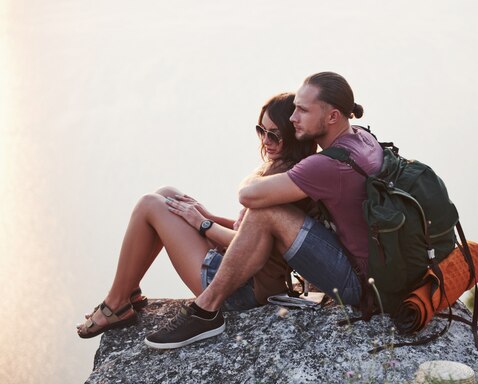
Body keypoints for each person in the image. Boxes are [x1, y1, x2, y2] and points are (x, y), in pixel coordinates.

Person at [144, 72, 384, 350]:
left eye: (303, 110)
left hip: (355, 283)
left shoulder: (326, 164)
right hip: (368, 269)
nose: (294, 118)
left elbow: (248, 195)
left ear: (333, 116)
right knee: (169, 196)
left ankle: (206, 310)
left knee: (265, 210)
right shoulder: (362, 139)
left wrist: (258, 177)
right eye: (294, 108)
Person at [77, 92, 316, 338]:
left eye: (274, 134)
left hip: (240, 289)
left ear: (294, 134)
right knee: (167, 194)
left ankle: (116, 302)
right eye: (261, 131)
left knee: (149, 204)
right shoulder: (284, 171)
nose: (266, 140)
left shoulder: (285, 183)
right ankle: (129, 290)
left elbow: (253, 248)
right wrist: (207, 215)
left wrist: (203, 223)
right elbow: (249, 231)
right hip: (244, 274)